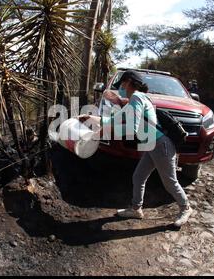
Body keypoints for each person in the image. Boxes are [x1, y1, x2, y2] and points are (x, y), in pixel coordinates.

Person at [79, 70, 193, 227]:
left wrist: (103, 132)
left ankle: (185, 208)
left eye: (123, 84)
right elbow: (114, 120)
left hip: (160, 145)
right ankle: (136, 209)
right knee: (138, 177)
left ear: (129, 82)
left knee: (169, 182)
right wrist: (92, 118)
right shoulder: (136, 99)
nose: (121, 87)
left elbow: (131, 128)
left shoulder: (137, 97)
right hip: (152, 145)